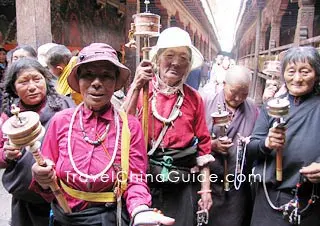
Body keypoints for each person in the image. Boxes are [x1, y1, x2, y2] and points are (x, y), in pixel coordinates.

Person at [30, 43, 175, 226]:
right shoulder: (60, 121)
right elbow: (47, 181)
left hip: (110, 217)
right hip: (66, 217)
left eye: (106, 76)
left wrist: (139, 210)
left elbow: (135, 179)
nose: (96, 83)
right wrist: (42, 178)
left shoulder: (129, 126)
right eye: (88, 75)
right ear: (79, 81)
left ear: (115, 83)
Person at [124, 27, 214, 226]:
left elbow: (204, 148)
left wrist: (205, 189)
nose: (175, 62)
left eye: (183, 57)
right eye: (169, 55)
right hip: (143, 182)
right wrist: (137, 86)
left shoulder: (194, 98)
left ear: (189, 65)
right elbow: (123, 126)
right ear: (157, 59)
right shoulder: (142, 89)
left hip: (181, 184)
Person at [247, 46, 320, 226]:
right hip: (270, 199)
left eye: (305, 72)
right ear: (283, 75)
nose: (297, 78)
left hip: (310, 199)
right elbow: (251, 150)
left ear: (317, 75)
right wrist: (266, 143)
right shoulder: (271, 107)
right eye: (291, 71)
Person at [0, 58, 74, 226]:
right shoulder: (9, 117)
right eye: (23, 82)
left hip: (61, 195)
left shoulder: (65, 108)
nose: (32, 86)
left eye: (37, 79)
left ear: (46, 80)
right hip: (25, 201)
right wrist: (6, 154)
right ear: (13, 87)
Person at [201, 65, 258, 226]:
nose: (239, 98)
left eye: (244, 94)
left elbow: (258, 139)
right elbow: (190, 138)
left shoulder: (253, 108)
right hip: (207, 182)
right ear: (224, 84)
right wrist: (212, 144)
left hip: (237, 186)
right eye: (234, 92)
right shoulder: (205, 101)